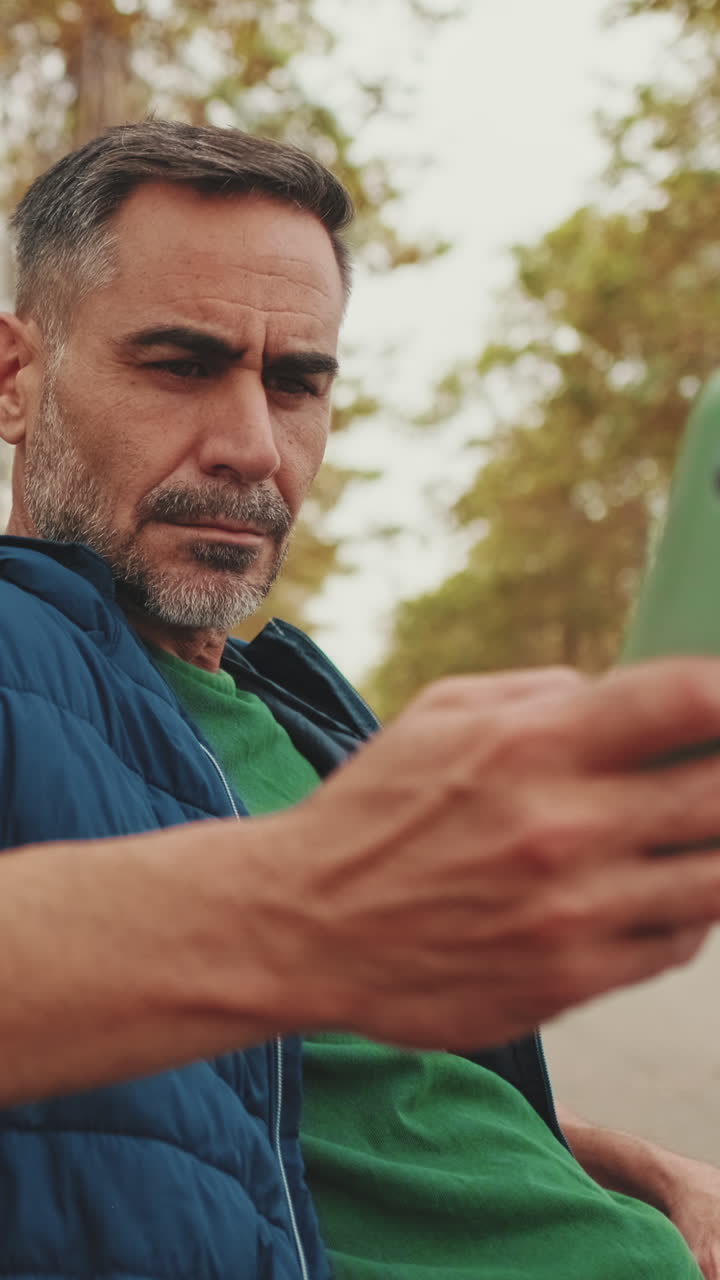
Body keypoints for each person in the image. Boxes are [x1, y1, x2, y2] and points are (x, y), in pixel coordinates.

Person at [0, 119, 720, 1280]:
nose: (251, 445)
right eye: (180, 364)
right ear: (15, 378)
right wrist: (308, 902)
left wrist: (631, 1166)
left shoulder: (305, 711)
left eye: (296, 382)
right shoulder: (17, 657)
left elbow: (333, 1084)